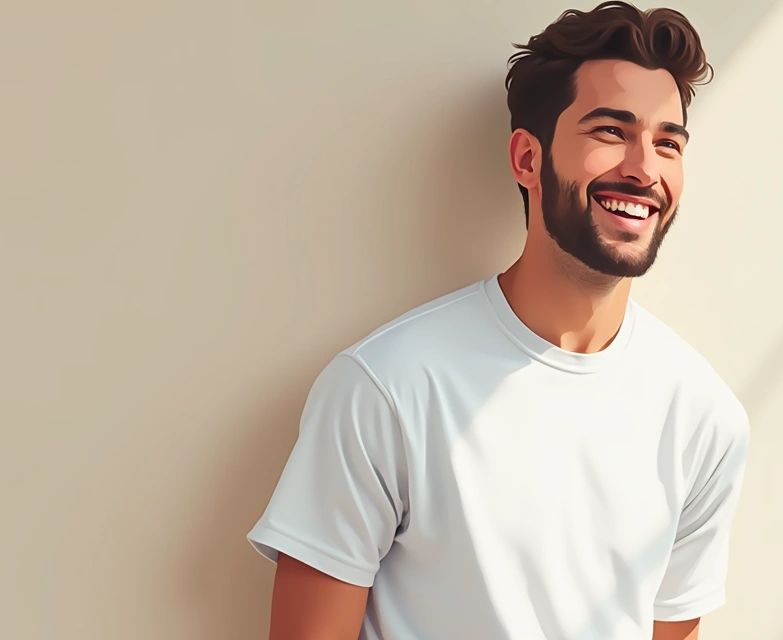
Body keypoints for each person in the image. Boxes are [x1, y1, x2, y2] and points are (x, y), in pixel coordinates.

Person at [247, 2, 750, 638]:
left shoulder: (703, 417)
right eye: (610, 131)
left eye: (667, 143)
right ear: (527, 159)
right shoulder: (388, 388)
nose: (644, 168)